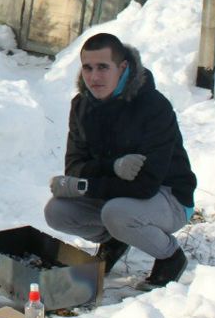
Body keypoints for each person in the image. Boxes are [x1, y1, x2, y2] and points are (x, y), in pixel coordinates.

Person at [45, 32, 197, 288]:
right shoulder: (82, 106)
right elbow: (74, 166)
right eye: (88, 68)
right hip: (117, 195)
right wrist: (111, 167)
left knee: (116, 213)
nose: (94, 77)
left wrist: (86, 184)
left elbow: (145, 184)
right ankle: (115, 238)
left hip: (169, 196)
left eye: (103, 67)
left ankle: (170, 256)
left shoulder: (154, 107)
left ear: (123, 67)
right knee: (57, 211)